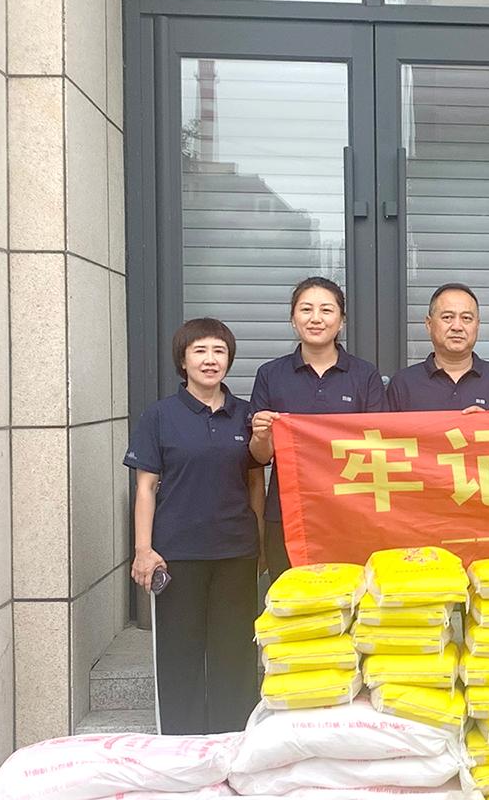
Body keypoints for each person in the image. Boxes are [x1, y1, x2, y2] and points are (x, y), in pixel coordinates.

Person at [124, 318, 264, 735]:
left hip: (235, 552)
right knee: (180, 655)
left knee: (234, 655)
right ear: (183, 361)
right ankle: (180, 747)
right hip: (177, 553)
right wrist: (143, 549)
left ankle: (232, 741)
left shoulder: (245, 415)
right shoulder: (160, 416)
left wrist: (258, 540)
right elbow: (145, 487)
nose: (210, 360)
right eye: (200, 351)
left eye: (219, 351)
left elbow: (255, 482)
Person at [247, 277, 387, 582]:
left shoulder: (365, 375)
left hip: (351, 512)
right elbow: (260, 456)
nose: (316, 318)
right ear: (293, 319)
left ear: (341, 321)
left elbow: (380, 447)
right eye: (306, 309)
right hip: (288, 513)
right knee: (294, 599)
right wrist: (260, 435)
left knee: (351, 598)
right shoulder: (270, 374)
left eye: (326, 310)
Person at [387, 283, 489, 413]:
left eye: (466, 318)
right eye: (448, 317)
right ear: (429, 324)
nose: (457, 327)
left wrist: (488, 423)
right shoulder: (403, 383)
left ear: (477, 325)